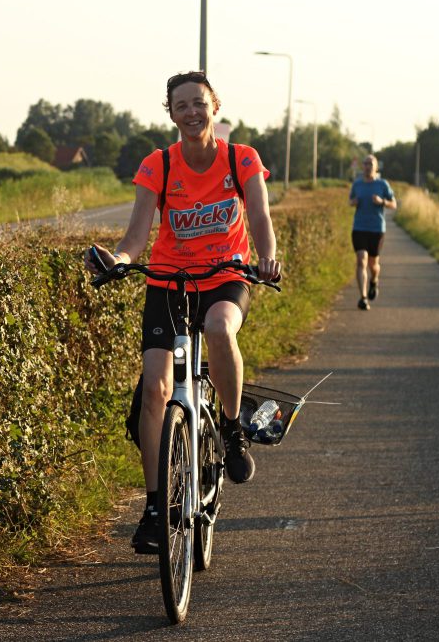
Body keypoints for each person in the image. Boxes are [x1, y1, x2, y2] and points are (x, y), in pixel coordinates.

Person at [84, 71, 281, 554]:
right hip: (169, 283)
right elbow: (135, 237)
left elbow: (259, 217)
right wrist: (119, 261)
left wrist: (267, 257)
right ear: (170, 113)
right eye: (181, 106)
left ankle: (233, 431)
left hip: (226, 277)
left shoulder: (242, 158)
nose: (191, 112)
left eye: (199, 103)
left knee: (219, 327)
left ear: (215, 106)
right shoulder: (159, 165)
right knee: (155, 389)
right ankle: (154, 507)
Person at [349, 155, 396, 310]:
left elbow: (393, 204)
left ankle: (374, 281)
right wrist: (353, 203)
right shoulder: (357, 184)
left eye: (371, 164)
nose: (368, 166)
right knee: (361, 259)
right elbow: (350, 201)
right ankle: (363, 298)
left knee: (373, 264)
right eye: (366, 163)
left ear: (376, 167)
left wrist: (382, 201)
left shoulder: (382, 184)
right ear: (363, 166)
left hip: (376, 229)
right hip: (359, 227)